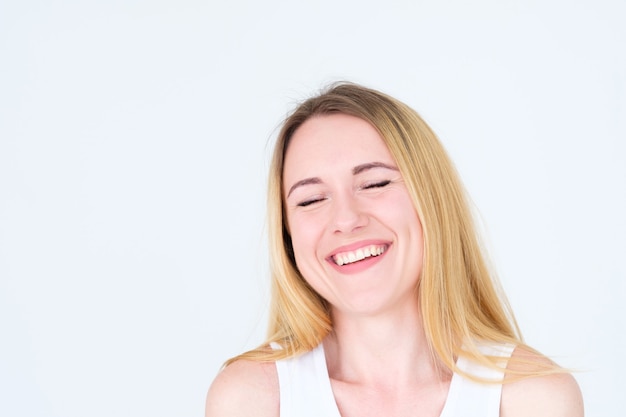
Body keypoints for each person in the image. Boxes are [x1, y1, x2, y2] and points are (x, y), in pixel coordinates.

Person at [205, 82, 583, 416]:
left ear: (432, 200)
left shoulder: (533, 400)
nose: (346, 219)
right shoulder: (251, 400)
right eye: (311, 200)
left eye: (374, 184)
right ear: (288, 236)